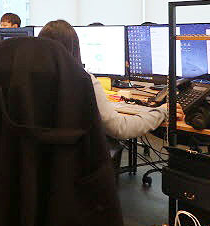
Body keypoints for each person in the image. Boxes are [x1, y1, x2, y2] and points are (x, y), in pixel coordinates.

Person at [37, 19, 181, 139]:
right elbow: (121, 129)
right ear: (75, 49)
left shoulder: (29, 80)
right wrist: (162, 111)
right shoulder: (83, 80)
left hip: (34, 159)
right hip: (74, 158)